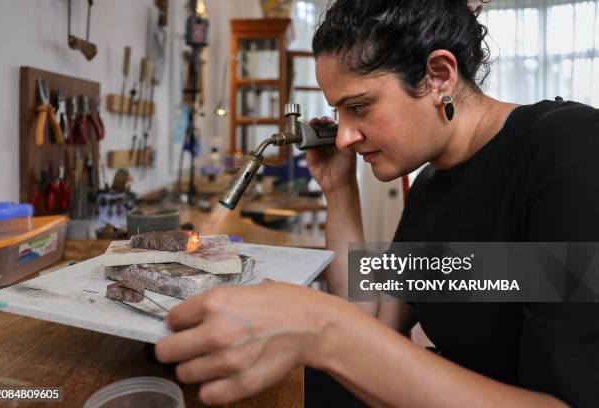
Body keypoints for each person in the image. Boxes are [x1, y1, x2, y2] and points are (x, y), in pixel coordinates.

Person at [155, 0, 599, 406]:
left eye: (360, 107)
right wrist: (339, 191)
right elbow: (377, 315)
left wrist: (322, 327)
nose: (344, 135)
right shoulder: (431, 182)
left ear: (438, 75)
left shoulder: (569, 149)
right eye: (339, 112)